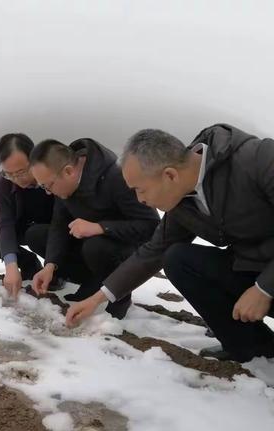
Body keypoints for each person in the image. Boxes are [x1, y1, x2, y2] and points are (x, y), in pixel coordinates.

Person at [66, 124, 274, 362]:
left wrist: (263, 288)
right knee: (178, 258)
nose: (139, 199)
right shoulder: (182, 200)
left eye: (140, 190)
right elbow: (153, 251)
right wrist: (96, 299)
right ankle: (253, 348)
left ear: (170, 175)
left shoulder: (259, 159)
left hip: (266, 279)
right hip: (252, 269)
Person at [28, 138, 160, 319]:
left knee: (96, 246)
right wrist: (50, 265)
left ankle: (119, 298)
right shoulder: (62, 185)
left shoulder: (116, 176)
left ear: (68, 171)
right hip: (89, 245)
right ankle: (92, 284)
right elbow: (59, 225)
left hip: (124, 249)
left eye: (48, 186)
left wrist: (101, 227)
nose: (48, 192)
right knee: (36, 235)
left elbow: (151, 226)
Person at [0, 133, 54, 298]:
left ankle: (58, 271)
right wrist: (10, 266)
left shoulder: (52, 175)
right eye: (9, 174)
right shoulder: (1, 182)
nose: (17, 179)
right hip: (22, 225)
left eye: (21, 172)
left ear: (34, 159)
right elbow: (4, 221)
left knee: (37, 234)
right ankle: (29, 263)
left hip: (50, 229)